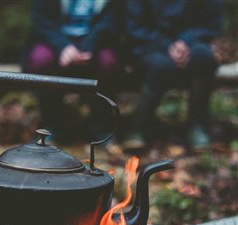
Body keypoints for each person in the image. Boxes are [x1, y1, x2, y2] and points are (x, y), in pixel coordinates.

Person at [125, 0, 223, 151]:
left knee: (204, 58)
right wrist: (167, 45)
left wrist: (185, 41)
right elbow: (135, 27)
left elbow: (211, 24)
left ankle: (197, 125)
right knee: (160, 66)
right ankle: (139, 126)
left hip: (191, 44)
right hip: (150, 45)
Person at [22, 0, 121, 143]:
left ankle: (102, 127)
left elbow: (113, 20)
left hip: (97, 41)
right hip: (54, 40)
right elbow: (41, 19)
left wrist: (89, 46)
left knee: (108, 63)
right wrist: (63, 46)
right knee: (40, 61)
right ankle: (52, 125)